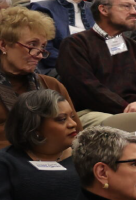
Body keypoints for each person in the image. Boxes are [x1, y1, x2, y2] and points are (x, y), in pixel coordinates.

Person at [57, 0, 136, 126]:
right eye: (126, 6)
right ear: (104, 10)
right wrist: (131, 110)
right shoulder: (75, 44)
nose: (134, 12)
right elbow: (87, 90)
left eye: (135, 7)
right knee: (125, 125)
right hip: (93, 111)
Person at [0, 9, 80, 148]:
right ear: (3, 45)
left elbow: (77, 134)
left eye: (42, 47)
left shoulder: (51, 85)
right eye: (32, 45)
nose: (39, 55)